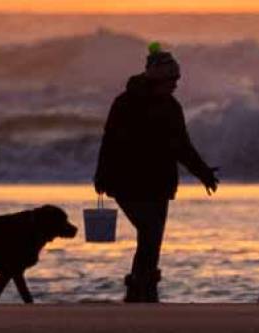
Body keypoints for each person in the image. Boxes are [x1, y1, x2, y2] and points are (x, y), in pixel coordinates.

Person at [94, 42, 220, 303]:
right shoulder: (125, 103)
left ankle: (140, 291)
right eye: (171, 79)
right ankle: (142, 289)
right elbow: (110, 141)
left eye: (177, 79)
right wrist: (101, 175)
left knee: (150, 238)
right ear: (157, 79)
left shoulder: (171, 106)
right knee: (150, 234)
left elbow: (182, 146)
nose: (175, 85)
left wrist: (203, 173)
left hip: (158, 183)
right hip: (126, 182)